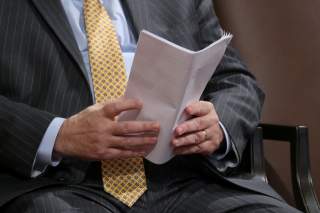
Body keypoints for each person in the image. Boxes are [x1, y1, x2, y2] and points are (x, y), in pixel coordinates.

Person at [0, 0, 300, 212]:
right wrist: (59, 135)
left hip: (186, 178)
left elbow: (236, 79)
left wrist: (218, 125)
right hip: (61, 184)